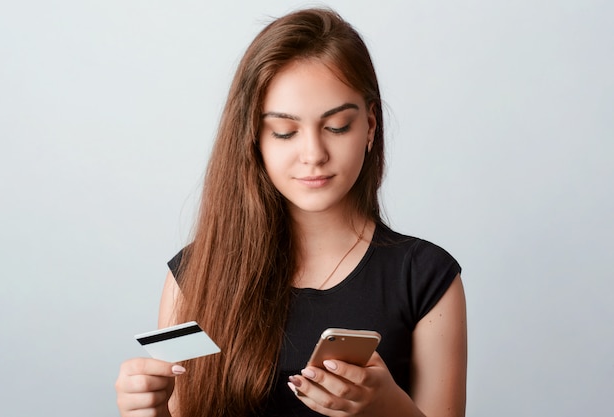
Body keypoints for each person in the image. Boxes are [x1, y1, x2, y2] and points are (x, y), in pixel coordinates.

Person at [115, 7, 467, 417]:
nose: (314, 155)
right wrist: (150, 412)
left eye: (337, 126)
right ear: (253, 138)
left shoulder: (426, 279)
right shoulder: (193, 277)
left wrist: (387, 407)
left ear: (370, 126)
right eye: (285, 132)